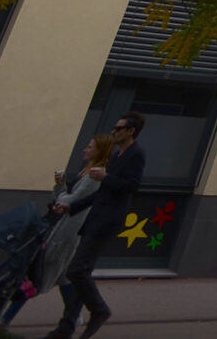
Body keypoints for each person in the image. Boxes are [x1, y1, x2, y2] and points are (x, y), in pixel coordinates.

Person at [46, 112, 144, 339]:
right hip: (96, 218)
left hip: (107, 221)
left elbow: (131, 186)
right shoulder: (118, 156)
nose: (113, 132)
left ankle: (99, 310)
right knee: (82, 271)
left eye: (118, 128)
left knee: (76, 270)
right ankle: (66, 327)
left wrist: (105, 178)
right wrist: (72, 208)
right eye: (114, 127)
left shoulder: (136, 155)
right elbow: (102, 194)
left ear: (130, 131)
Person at [37, 136, 114, 299]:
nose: (85, 150)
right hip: (65, 225)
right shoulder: (86, 171)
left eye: (90, 147)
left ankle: (7, 316)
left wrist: (60, 192)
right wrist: (61, 185)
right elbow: (67, 197)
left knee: (41, 275)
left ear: (99, 151)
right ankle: (73, 317)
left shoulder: (94, 176)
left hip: (67, 231)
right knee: (64, 277)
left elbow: (72, 200)